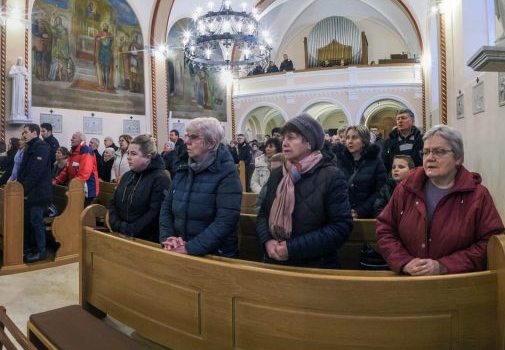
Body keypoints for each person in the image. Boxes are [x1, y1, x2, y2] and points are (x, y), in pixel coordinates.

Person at [378, 125, 505, 275]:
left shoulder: (477, 195)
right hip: (409, 280)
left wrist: (444, 266)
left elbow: (489, 242)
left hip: (457, 282)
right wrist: (404, 262)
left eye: (439, 151)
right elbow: (385, 229)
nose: (430, 158)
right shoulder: (407, 188)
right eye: (426, 152)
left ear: (458, 158)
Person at [256, 113, 353, 268]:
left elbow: (340, 227)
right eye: (284, 138)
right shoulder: (277, 174)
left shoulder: (331, 176)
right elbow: (263, 213)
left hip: (315, 265)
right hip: (274, 260)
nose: (284, 142)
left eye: (291, 137)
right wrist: (267, 241)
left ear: (309, 143)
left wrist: (292, 248)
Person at [159, 117, 242, 257]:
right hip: (177, 247)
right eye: (187, 135)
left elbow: (225, 220)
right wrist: (168, 238)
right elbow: (167, 207)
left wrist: (190, 247)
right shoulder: (183, 167)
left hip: (213, 254)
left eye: (194, 137)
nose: (187, 141)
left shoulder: (227, 173)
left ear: (211, 143)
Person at [107, 135, 170, 243]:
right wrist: (117, 225)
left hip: (146, 240)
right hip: (120, 234)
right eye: (128, 153)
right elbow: (113, 202)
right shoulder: (127, 176)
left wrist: (130, 229)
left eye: (133, 153)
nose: (128, 157)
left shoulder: (160, 178)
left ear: (148, 157)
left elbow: (155, 212)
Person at [17, 124, 52, 263]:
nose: (23, 135)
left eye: (26, 132)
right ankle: (31, 248)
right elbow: (23, 170)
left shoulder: (42, 147)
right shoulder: (29, 146)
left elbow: (35, 173)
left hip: (39, 193)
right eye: (23, 132)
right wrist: (19, 187)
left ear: (34, 133)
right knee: (29, 222)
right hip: (29, 192)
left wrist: (22, 189)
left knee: (36, 222)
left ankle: (41, 251)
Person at [335, 125, 387, 219]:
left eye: (354, 138)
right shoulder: (340, 162)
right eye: (348, 138)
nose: (349, 141)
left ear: (364, 141)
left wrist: (361, 210)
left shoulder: (376, 163)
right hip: (344, 214)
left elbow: (380, 191)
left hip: (367, 215)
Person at [53, 131, 99, 204]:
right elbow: (66, 169)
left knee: (80, 210)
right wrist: (57, 180)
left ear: (81, 140)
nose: (71, 139)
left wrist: (73, 185)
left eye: (74, 138)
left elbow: (84, 173)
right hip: (75, 187)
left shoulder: (86, 151)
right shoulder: (73, 151)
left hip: (87, 188)